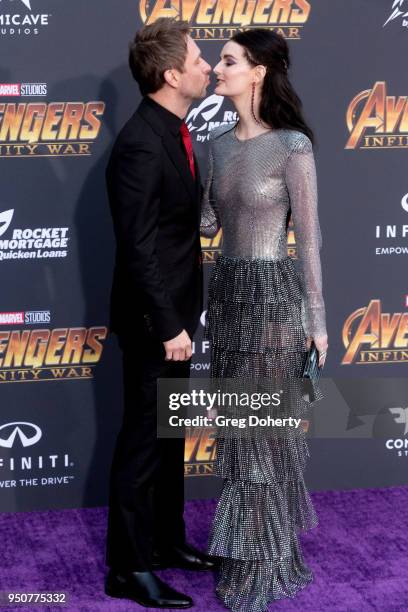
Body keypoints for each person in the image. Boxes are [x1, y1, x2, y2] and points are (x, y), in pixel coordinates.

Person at [201, 29, 328, 611]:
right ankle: (261, 549)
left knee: (263, 437)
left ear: (258, 73)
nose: (217, 68)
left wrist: (318, 321)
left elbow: (311, 239)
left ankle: (258, 568)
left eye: (228, 60)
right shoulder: (217, 144)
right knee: (238, 432)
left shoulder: (292, 147)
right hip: (226, 300)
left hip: (274, 301)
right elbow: (206, 223)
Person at [105, 17, 215, 609]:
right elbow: (138, 246)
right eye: (197, 58)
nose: (205, 66)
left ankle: (167, 542)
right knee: (144, 443)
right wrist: (170, 325)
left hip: (176, 316)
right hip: (157, 324)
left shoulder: (174, 130)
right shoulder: (142, 143)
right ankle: (127, 567)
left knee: (169, 437)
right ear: (171, 74)